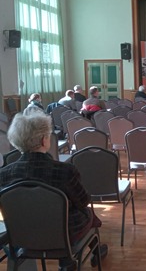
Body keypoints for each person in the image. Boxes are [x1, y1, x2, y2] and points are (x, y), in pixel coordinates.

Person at [0, 111, 108, 270]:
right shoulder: (65, 171)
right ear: (44, 140)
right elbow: (83, 201)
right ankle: (74, 259)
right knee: (89, 214)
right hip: (63, 234)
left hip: (21, 234)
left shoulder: (4, 174)